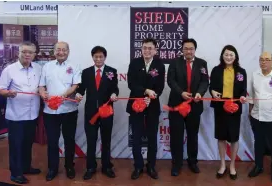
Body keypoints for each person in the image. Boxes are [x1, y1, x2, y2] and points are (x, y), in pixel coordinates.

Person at [0, 42, 42, 184]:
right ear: (19, 53)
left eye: (30, 52)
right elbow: (0, 89)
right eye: (24, 52)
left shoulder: (39, 68)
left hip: (32, 113)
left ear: (35, 54)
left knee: (28, 143)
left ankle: (26, 167)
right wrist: (8, 93)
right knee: (16, 144)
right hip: (16, 115)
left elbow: (41, 86)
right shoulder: (9, 70)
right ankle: (16, 173)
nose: (27, 55)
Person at [39, 41, 82, 181]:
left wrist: (62, 96)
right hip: (50, 112)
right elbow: (41, 86)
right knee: (52, 141)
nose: (61, 52)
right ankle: (52, 168)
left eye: (64, 50)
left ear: (68, 51)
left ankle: (69, 166)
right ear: (54, 51)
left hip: (69, 110)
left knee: (69, 140)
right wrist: (42, 93)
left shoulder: (74, 66)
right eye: (58, 50)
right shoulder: (46, 66)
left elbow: (75, 85)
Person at [167, 38, 209, 176]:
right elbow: (170, 81)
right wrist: (181, 93)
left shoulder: (202, 64)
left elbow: (204, 82)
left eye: (191, 48)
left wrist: (199, 93)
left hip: (194, 105)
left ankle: (192, 162)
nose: (188, 51)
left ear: (195, 49)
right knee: (176, 135)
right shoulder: (174, 63)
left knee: (192, 135)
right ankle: (176, 164)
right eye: (186, 48)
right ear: (182, 50)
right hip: (177, 105)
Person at [75, 46, 119, 180]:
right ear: (92, 57)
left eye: (101, 57)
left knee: (106, 140)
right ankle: (91, 167)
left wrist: (114, 94)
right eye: (96, 56)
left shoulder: (111, 71)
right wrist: (78, 94)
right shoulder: (86, 72)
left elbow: (115, 88)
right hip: (91, 113)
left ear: (105, 57)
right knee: (91, 140)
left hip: (106, 111)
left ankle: (106, 166)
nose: (98, 59)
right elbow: (81, 89)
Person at [126, 38, 165, 180]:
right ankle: (138, 166)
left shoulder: (159, 65)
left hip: (152, 105)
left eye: (150, 48)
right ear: (141, 49)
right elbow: (131, 83)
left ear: (155, 50)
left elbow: (160, 86)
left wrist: (152, 95)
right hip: (136, 104)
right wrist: (145, 91)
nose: (147, 51)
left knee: (152, 137)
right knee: (136, 137)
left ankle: (151, 165)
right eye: (144, 48)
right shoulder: (134, 63)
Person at [247, 52, 272, 184]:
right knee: (258, 143)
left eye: (267, 60)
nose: (263, 62)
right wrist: (250, 111)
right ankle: (258, 166)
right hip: (257, 116)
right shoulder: (254, 75)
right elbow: (251, 94)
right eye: (261, 60)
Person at [209, 45, 247, 180]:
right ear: (222, 56)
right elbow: (211, 86)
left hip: (235, 107)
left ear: (235, 56)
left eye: (231, 55)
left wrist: (242, 97)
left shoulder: (241, 71)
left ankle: (232, 166)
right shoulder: (216, 70)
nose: (229, 57)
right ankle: (222, 165)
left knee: (234, 137)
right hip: (220, 106)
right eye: (226, 54)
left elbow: (244, 89)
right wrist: (212, 92)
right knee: (221, 136)